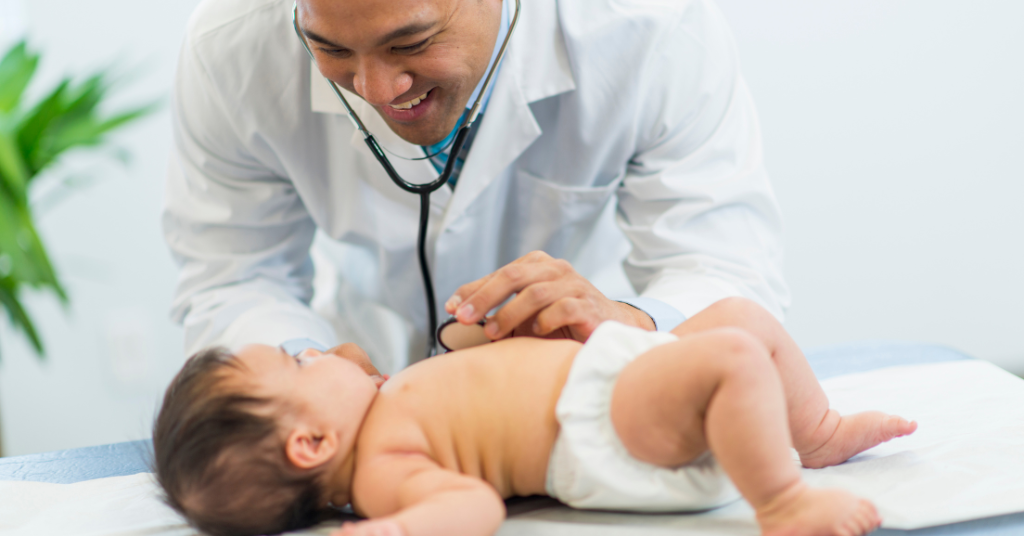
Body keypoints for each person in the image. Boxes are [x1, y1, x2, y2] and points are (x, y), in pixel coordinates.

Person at [163, 0, 790, 364]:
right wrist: (304, 370)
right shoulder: (231, 49)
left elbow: (727, 270)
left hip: (574, 369)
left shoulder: (651, 29)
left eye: (412, 42)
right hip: (360, 360)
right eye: (330, 51)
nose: (377, 92)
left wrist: (625, 322)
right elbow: (234, 277)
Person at [153, 298, 917, 536]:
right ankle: (781, 501)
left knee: (739, 320)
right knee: (732, 359)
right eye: (297, 364)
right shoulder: (383, 476)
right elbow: (476, 506)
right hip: (603, 430)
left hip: (607, 380)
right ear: (312, 442)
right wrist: (387, 532)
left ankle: (813, 432)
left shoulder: (382, 410)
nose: (315, 353)